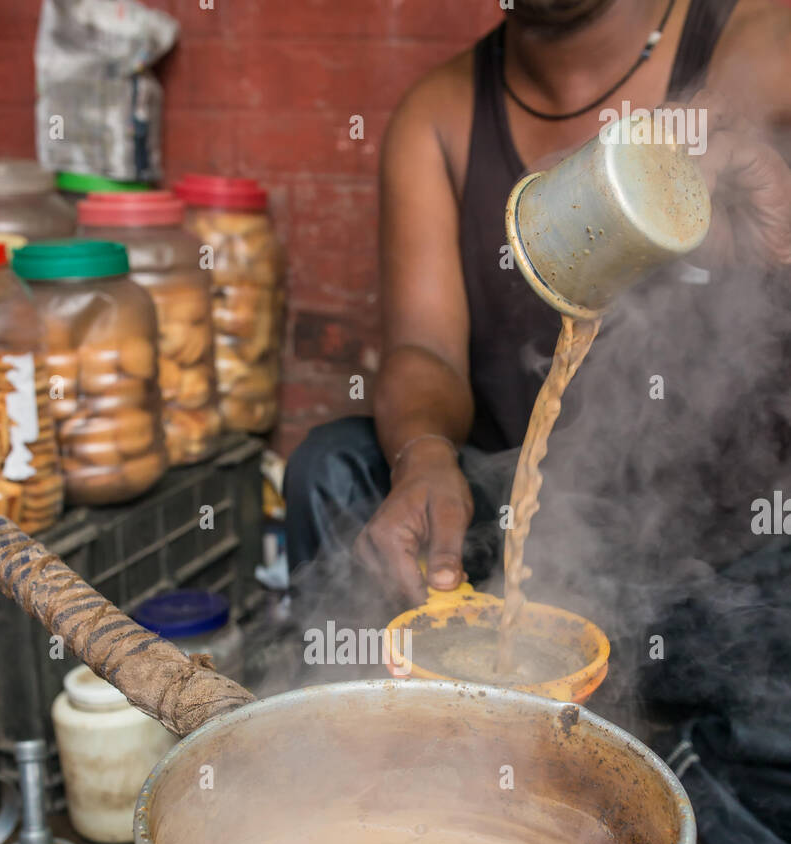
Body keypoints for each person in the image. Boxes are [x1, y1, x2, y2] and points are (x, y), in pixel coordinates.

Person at [285, 0, 791, 615]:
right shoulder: (438, 117)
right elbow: (425, 349)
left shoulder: (761, 43)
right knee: (335, 467)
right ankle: (382, 699)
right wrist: (423, 455)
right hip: (535, 544)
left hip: (734, 563)